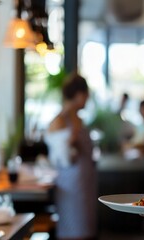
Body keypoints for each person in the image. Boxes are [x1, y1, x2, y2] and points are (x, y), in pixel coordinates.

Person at [44, 72, 97, 240]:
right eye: (86, 95)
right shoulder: (60, 120)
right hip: (70, 184)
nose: (87, 99)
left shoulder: (77, 118)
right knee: (73, 229)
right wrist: (70, 142)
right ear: (79, 95)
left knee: (86, 228)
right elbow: (61, 157)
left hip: (85, 181)